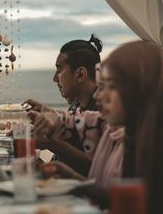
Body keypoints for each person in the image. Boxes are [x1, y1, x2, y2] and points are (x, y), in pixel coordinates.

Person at [40, 41, 162, 213]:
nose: (98, 95)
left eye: (110, 87)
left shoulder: (152, 146)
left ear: (138, 90)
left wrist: (75, 181)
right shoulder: (124, 132)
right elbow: (79, 120)